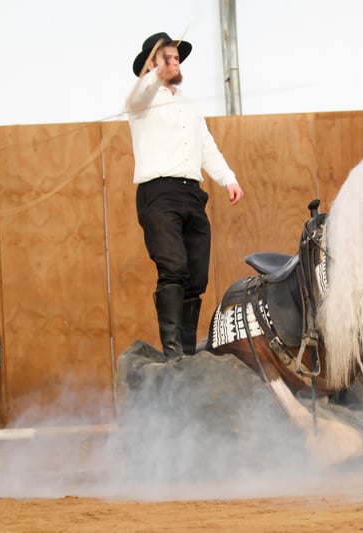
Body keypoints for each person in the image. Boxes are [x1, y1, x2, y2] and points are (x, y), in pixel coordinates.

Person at [126, 32, 244, 358]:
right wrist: (155, 75)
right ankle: (173, 352)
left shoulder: (189, 106)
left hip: (192, 194)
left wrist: (228, 179)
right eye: (167, 57)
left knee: (196, 276)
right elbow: (137, 98)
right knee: (173, 267)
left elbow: (206, 145)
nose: (174, 62)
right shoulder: (142, 98)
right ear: (151, 64)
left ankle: (188, 353)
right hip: (158, 193)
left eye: (176, 58)